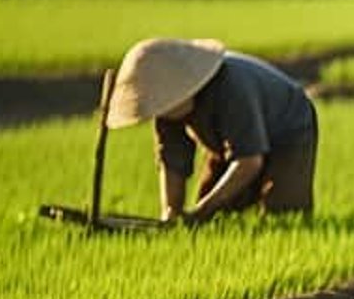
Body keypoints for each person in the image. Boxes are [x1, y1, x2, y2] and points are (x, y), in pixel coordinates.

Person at [106, 38, 318, 225]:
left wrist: (201, 212)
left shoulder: (231, 88)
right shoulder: (167, 109)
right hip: (227, 142)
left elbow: (249, 161)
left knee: (282, 215)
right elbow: (172, 162)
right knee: (215, 218)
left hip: (289, 129)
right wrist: (171, 213)